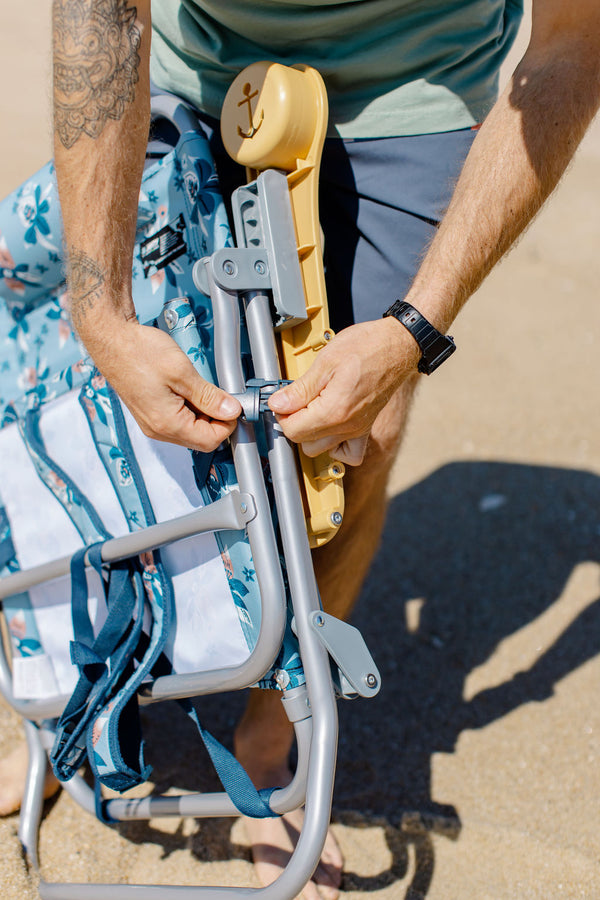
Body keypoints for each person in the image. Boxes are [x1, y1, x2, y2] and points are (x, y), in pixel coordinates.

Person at [2, 0, 600, 897]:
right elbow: (102, 11)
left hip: (414, 83)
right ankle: (48, 700)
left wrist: (412, 333)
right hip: (198, 63)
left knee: (349, 440)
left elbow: (570, 50)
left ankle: (271, 737)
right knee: (81, 388)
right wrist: (103, 314)